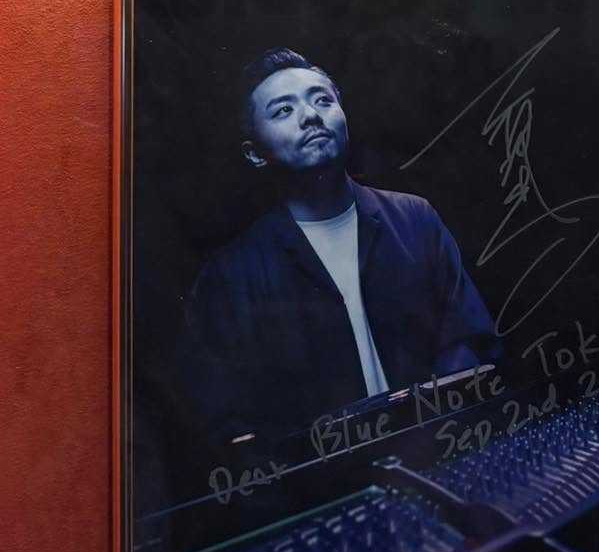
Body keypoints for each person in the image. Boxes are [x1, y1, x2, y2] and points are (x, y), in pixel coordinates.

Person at [183, 48, 499, 452]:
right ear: (254, 153)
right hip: (326, 481)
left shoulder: (414, 219)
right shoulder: (231, 276)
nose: (310, 116)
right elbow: (228, 422)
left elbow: (470, 342)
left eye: (322, 100)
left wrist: (429, 438)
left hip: (445, 455)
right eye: (283, 110)